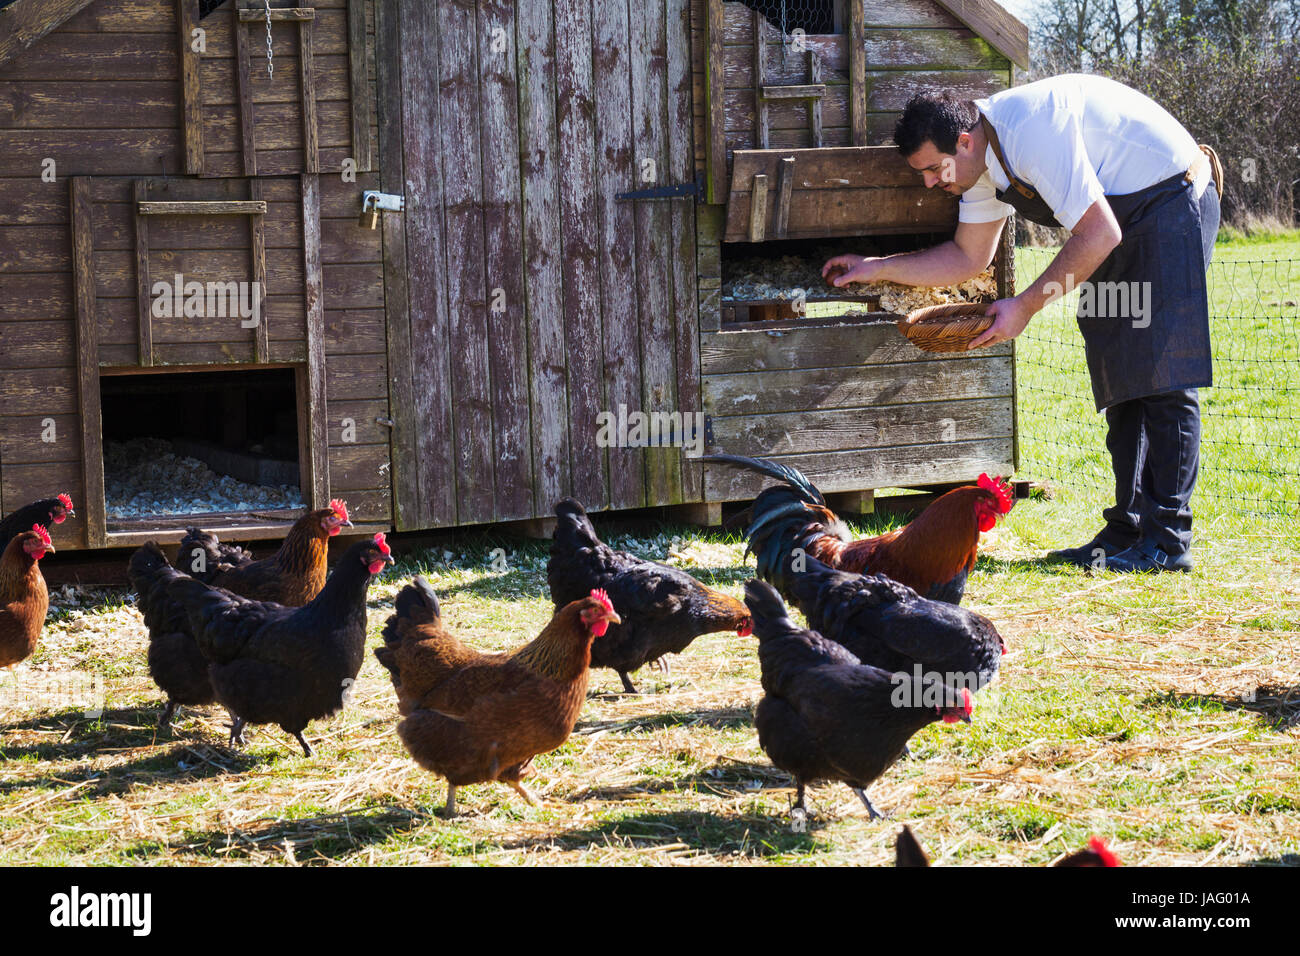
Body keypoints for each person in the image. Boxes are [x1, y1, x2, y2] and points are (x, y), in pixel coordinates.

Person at [823, 73, 1221, 573]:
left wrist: (1025, 306)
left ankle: (1168, 541)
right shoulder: (979, 164)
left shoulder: (1032, 131)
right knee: (1123, 373)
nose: (930, 182)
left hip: (1171, 201)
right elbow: (967, 257)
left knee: (1162, 377)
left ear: (963, 141)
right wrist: (876, 267)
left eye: (933, 169)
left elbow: (1098, 233)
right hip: (1121, 222)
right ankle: (1128, 528)